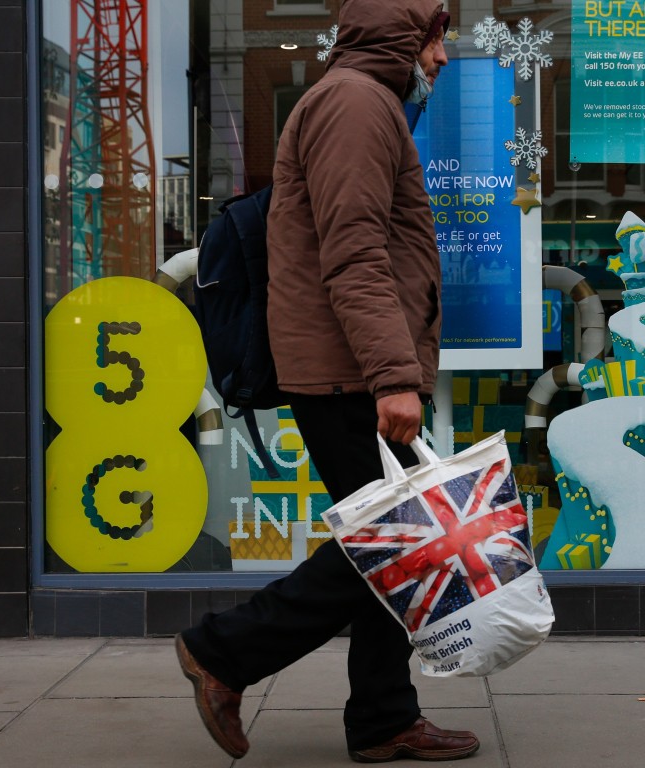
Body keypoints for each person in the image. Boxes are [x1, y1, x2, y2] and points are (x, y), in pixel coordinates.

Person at [176, 1, 480, 762]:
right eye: (434, 37)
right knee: (397, 542)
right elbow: (353, 254)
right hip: (350, 377)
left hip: (351, 370)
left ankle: (383, 717)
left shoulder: (364, 101)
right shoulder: (354, 104)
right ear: (397, 35)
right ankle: (223, 651)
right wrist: (392, 378)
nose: (442, 57)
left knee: (395, 544)